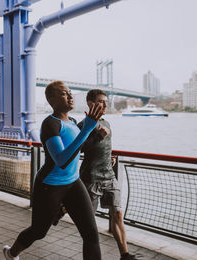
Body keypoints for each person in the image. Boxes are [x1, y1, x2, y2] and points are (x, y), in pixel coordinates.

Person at [3, 81, 104, 260]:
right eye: (64, 93)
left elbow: (78, 148)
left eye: (70, 92)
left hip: (73, 182)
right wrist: (87, 128)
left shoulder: (72, 122)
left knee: (91, 234)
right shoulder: (50, 124)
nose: (71, 96)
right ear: (51, 100)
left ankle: (59, 211)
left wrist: (95, 137)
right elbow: (61, 160)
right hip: (50, 185)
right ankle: (11, 253)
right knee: (39, 231)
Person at [78, 89, 139, 260]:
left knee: (117, 214)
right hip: (91, 179)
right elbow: (78, 149)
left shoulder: (107, 123)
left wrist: (108, 158)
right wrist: (97, 135)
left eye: (106, 101)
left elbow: (104, 147)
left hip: (109, 176)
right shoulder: (82, 125)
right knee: (89, 224)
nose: (105, 104)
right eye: (100, 101)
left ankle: (125, 255)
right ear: (90, 103)